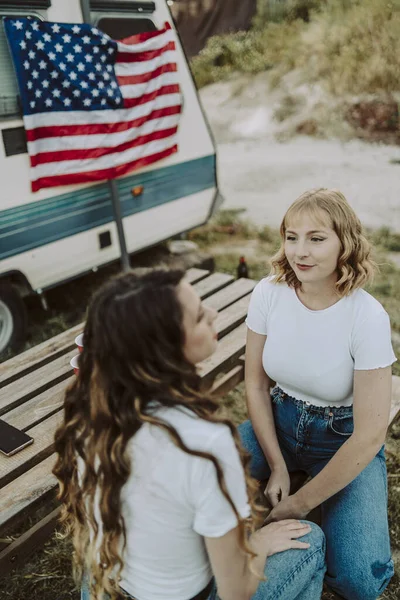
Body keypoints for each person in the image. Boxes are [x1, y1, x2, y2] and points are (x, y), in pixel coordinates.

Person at [53, 268, 326, 600]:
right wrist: (257, 544)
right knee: (309, 538)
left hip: (109, 588)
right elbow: (235, 592)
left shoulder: (89, 415)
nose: (213, 314)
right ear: (165, 350)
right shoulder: (203, 442)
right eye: (198, 317)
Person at [240, 188, 397, 600]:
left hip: (343, 440)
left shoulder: (367, 317)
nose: (300, 251)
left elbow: (369, 436)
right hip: (277, 422)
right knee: (195, 481)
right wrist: (275, 464)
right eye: (292, 237)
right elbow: (255, 384)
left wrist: (299, 503)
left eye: (316, 238)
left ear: (345, 242)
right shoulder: (268, 293)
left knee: (360, 582)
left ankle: (320, 509)